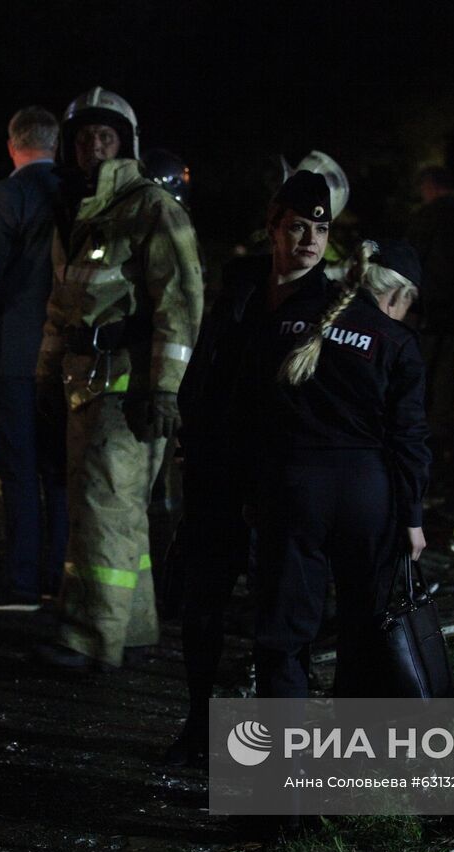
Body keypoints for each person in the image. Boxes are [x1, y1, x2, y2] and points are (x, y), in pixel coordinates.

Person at [165, 170, 339, 764]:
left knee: (276, 614)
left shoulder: (330, 303)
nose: (310, 241)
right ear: (274, 228)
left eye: (320, 229)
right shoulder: (240, 284)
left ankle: (269, 748)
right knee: (203, 599)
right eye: (298, 227)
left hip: (279, 477)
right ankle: (198, 722)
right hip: (220, 466)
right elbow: (210, 362)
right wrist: (192, 430)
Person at [33, 87, 204, 672]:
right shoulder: (78, 213)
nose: (92, 147)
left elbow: (180, 303)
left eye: (104, 136)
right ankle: (129, 630)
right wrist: (45, 376)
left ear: (125, 143)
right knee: (108, 509)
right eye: (83, 138)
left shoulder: (150, 207)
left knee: (106, 506)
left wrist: (164, 389)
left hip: (128, 386)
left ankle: (89, 640)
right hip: (86, 382)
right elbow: (62, 307)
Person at [247, 239, 431, 700]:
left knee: (285, 628)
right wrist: (413, 517)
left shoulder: (291, 320)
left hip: (295, 486)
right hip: (366, 495)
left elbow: (255, 407)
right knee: (364, 629)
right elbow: (408, 438)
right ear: (397, 297)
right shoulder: (397, 342)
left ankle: (283, 754)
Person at [0, 106, 68, 611]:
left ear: (12, 145)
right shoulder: (76, 195)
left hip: (12, 352)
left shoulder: (6, 197)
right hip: (65, 353)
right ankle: (61, 575)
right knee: (59, 470)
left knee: (20, 468)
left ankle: (21, 581)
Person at [406, 166, 454, 441]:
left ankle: (416, 429)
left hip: (427, 305)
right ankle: (440, 429)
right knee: (445, 367)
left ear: (431, 185)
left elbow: (413, 259)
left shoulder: (428, 217)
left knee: (421, 368)